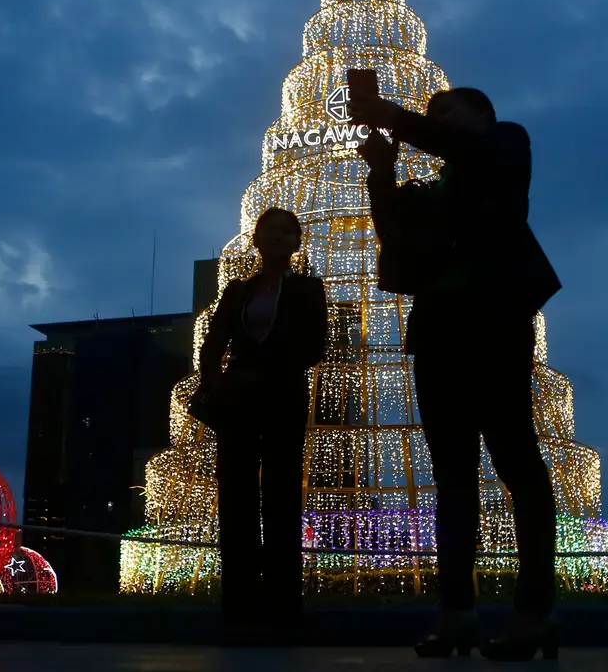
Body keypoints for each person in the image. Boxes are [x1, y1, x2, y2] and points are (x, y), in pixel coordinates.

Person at [353, 88, 562, 662]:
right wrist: (383, 171)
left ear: (482, 114)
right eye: (432, 112)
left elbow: (471, 152)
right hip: (440, 333)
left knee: (517, 461)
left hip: (494, 324)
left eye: (448, 110)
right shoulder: (439, 187)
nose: (436, 117)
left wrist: (397, 117)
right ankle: (457, 610)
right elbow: (394, 234)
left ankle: (535, 610)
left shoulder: (505, 142)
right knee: (452, 476)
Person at [195, 207, 328, 643]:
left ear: (296, 241)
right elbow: (213, 344)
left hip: (282, 398)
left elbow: (314, 346)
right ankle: (239, 606)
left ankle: (283, 606)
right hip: (237, 404)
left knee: (281, 497)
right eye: (268, 230)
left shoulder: (309, 289)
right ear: (256, 239)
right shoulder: (237, 291)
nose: (276, 237)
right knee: (236, 498)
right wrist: (218, 382)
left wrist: (263, 373)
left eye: (285, 231)